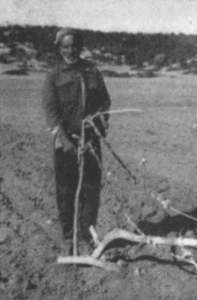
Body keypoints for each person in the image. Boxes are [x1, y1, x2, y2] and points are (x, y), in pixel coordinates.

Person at [42, 28, 111, 254]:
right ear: (59, 49)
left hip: (90, 143)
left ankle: (84, 237)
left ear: (79, 47)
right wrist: (65, 140)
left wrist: (98, 124)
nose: (70, 50)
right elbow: (51, 113)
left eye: (73, 46)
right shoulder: (53, 76)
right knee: (65, 192)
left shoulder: (92, 72)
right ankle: (67, 239)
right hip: (66, 145)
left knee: (90, 192)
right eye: (65, 47)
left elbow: (104, 102)